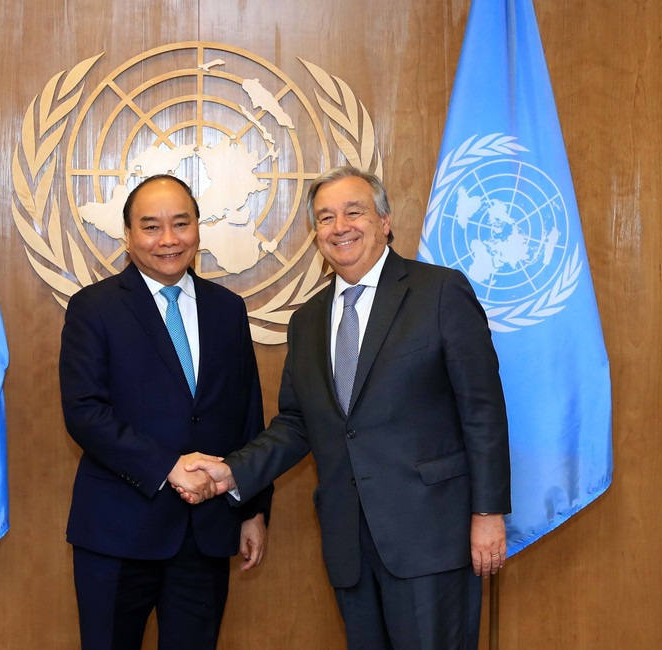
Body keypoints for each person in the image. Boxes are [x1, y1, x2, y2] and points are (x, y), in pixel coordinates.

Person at [181, 166, 510, 649]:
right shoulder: (308, 320)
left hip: (431, 537)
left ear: (385, 221)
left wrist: (488, 513)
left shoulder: (440, 292)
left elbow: (482, 409)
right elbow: (298, 423)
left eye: (354, 212)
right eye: (326, 218)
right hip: (349, 543)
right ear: (316, 234)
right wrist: (232, 473)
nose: (340, 227)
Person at [59, 174, 273, 649]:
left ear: (198, 227)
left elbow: (247, 415)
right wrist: (167, 467)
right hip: (118, 532)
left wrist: (252, 509)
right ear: (128, 235)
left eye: (181, 223)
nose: (169, 239)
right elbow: (84, 412)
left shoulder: (228, 309)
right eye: (151, 226)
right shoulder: (94, 308)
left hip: (207, 533)